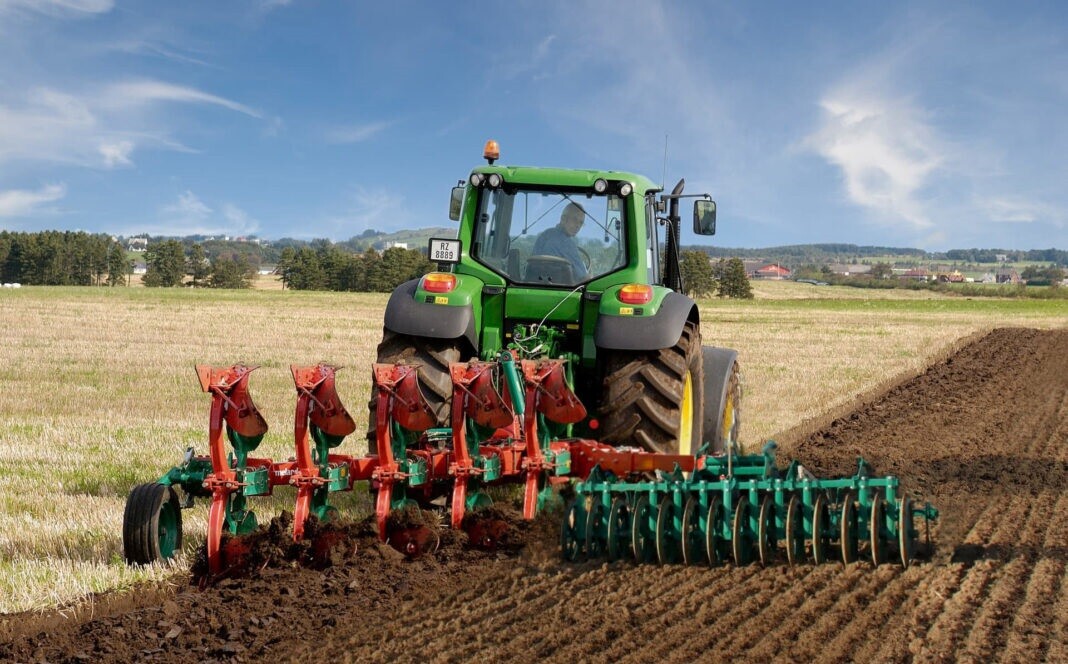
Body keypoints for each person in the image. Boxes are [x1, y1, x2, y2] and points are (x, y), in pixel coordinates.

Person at [533, 202, 588, 278]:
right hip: (564, 288)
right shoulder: (567, 244)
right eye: (575, 219)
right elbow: (583, 277)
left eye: (581, 223)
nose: (578, 225)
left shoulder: (544, 235)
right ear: (563, 219)